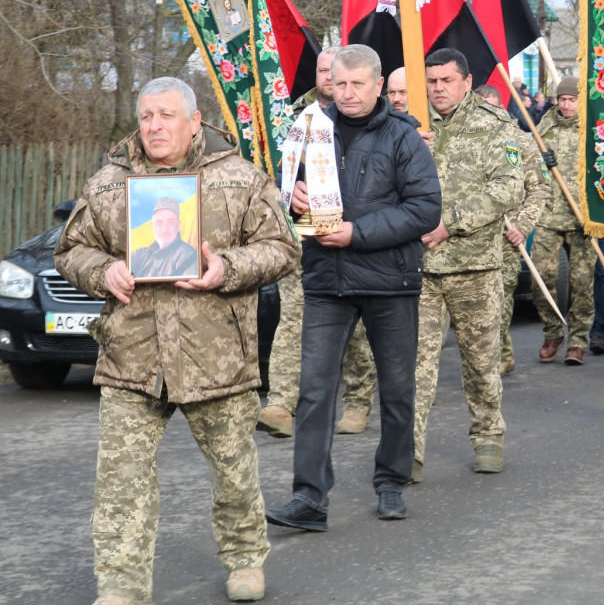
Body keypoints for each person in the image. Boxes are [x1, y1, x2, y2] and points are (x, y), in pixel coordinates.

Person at [55, 76, 301, 605]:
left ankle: (244, 558)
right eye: (146, 116)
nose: (155, 126)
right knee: (121, 481)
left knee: (233, 471)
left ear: (194, 122)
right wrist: (103, 272)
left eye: (167, 115)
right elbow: (71, 249)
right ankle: (121, 587)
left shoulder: (239, 179)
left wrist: (227, 267)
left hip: (215, 355)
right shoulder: (107, 183)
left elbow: (282, 248)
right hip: (132, 356)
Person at [266, 45, 441, 531]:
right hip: (327, 280)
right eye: (339, 83)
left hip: (390, 281)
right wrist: (293, 197)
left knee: (398, 389)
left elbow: (425, 209)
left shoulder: (405, 138)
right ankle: (309, 498)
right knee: (315, 392)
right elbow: (283, 197)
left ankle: (390, 482)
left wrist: (355, 233)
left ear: (378, 85)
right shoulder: (308, 132)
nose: (347, 93)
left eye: (358, 84)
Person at [412, 48, 524, 478]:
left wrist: (451, 224)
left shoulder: (494, 125)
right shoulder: (411, 125)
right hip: (421, 269)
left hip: (475, 266)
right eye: (432, 80)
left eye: (446, 80)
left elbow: (509, 188)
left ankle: (488, 435)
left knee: (480, 362)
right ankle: (410, 449)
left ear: (466, 80)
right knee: (415, 366)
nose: (438, 88)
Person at [258, 47, 377, 439]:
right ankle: (280, 403)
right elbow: (276, 176)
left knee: (356, 327)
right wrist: (290, 194)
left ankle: (357, 402)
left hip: (353, 238)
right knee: (293, 321)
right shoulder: (293, 118)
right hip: (302, 240)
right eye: (324, 71)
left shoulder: (365, 119)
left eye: (337, 72)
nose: (330, 78)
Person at [476, 84, 550, 375]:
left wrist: (522, 225)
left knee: (500, 300)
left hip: (505, 238)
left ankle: (496, 359)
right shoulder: (462, 140)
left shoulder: (519, 141)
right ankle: (500, 352)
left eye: (492, 108)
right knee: (480, 304)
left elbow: (540, 189)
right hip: (469, 237)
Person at [528, 76, 597, 365]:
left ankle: (578, 340)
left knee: (583, 283)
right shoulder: (543, 127)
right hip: (548, 215)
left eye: (572, 100)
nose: (566, 105)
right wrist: (541, 161)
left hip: (582, 218)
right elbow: (528, 164)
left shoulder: (594, 131)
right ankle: (553, 330)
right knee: (540, 278)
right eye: (563, 99)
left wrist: (594, 213)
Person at [129, 196, 198, 279]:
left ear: (178, 225)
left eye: (170, 222)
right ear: (152, 226)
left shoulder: (188, 255)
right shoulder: (141, 255)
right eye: (159, 223)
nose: (164, 229)